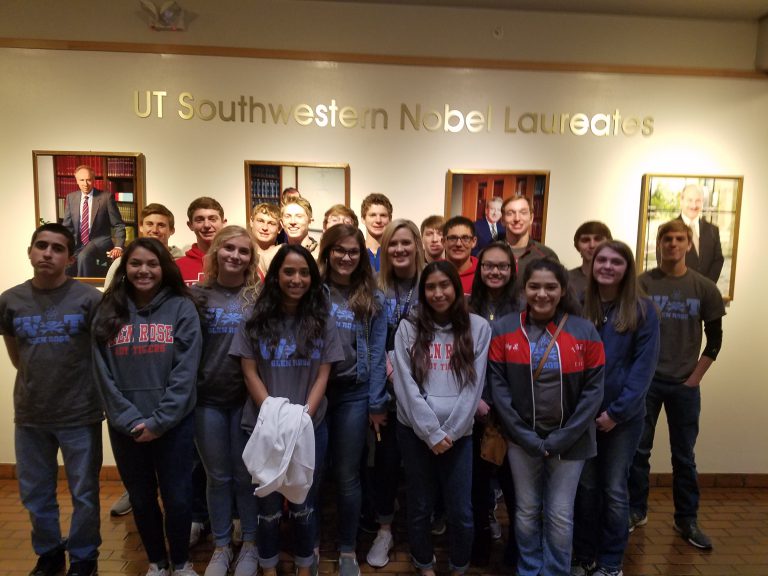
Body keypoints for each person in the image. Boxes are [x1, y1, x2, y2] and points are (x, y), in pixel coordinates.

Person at [230, 244, 344, 576]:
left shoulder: (322, 319)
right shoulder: (253, 317)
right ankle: (268, 566)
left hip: (310, 425)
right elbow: (248, 370)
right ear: (276, 275)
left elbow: (324, 372)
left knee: (303, 504)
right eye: (289, 271)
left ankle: (305, 567)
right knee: (267, 507)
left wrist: (302, 417)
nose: (296, 279)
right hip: (262, 425)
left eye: (304, 272)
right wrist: (273, 415)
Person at [92, 237, 203, 576]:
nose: (144, 270)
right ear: (124, 268)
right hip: (126, 426)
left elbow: (186, 371)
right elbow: (102, 372)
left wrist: (161, 420)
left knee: (178, 498)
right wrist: (126, 418)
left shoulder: (182, 307)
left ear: (163, 268)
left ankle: (181, 562)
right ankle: (157, 561)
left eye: (152, 264)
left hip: (175, 424)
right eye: (136, 263)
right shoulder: (107, 308)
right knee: (141, 499)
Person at [488, 258, 604, 576]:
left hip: (572, 440)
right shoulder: (504, 329)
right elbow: (498, 388)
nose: (542, 293)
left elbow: (594, 391)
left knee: (560, 513)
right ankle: (529, 569)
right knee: (525, 511)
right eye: (534, 286)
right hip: (520, 439)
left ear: (563, 289)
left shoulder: (585, 330)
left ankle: (555, 571)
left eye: (550, 286)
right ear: (524, 289)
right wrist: (523, 435)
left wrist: (563, 437)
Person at [0, 223, 103, 576]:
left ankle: (85, 556)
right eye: (41, 246)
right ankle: (48, 553)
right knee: (36, 493)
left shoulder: (91, 299)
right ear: (30, 252)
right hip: (30, 414)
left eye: (57, 248)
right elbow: (16, 355)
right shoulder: (9, 300)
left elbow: (101, 352)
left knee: (85, 493)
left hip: (80, 412)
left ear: (70, 258)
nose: (47, 253)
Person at [629, 220, 725, 550]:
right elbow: (628, 333)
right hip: (647, 384)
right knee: (638, 451)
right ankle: (635, 510)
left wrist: (694, 378)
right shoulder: (641, 283)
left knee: (684, 456)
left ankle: (686, 518)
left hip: (684, 384)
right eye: (666, 238)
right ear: (658, 244)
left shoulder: (704, 287)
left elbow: (715, 340)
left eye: (679, 239)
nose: (672, 244)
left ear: (688, 244)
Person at [393, 261, 491, 576]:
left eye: (444, 285)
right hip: (415, 433)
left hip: (458, 436)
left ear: (456, 289)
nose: (438, 293)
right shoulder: (408, 327)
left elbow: (473, 388)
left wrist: (448, 431)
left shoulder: (477, 327)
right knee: (420, 506)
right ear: (423, 292)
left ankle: (459, 566)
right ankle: (424, 564)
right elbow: (405, 385)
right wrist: (430, 432)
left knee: (461, 510)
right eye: (431, 287)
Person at [571, 240, 660, 576]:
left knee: (613, 488)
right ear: (592, 266)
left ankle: (610, 561)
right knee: (587, 489)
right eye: (601, 260)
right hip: (584, 418)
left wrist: (616, 413)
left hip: (622, 419)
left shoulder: (643, 310)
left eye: (616, 262)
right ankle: (584, 555)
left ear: (627, 268)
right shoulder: (580, 306)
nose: (607, 266)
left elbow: (643, 370)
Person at [190, 226, 262, 576]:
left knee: (246, 474)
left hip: (247, 400)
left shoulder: (259, 296)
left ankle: (249, 543)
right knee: (216, 476)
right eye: (228, 248)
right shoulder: (198, 296)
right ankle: (221, 546)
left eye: (243, 251)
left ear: (251, 258)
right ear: (216, 251)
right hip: (208, 400)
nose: (235, 255)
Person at [318, 224, 387, 576]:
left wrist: (376, 402)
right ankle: (309, 545)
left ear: (361, 256)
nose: (346, 257)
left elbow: (376, 355)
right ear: (328, 251)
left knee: (347, 475)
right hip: (315, 392)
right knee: (312, 474)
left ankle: (347, 548)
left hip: (354, 394)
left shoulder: (374, 298)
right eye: (339, 250)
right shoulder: (312, 291)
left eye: (353, 251)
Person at [366, 219, 425, 568]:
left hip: (427, 392)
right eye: (393, 244)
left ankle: (421, 529)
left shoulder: (433, 284)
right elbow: (372, 349)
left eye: (406, 243)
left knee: (422, 468)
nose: (400, 250)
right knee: (385, 465)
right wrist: (375, 399)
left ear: (417, 245)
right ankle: (384, 530)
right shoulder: (376, 289)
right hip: (387, 393)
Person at [467, 242, 519, 566]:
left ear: (512, 269)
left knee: (515, 487)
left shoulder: (525, 307)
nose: (495, 272)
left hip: (514, 411)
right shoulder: (467, 307)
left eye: (502, 266)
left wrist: (507, 405)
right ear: (480, 268)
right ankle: (481, 545)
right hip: (476, 410)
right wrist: (477, 402)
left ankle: (517, 549)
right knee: (478, 485)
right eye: (489, 266)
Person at [61, 165, 126, 277]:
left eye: (88, 180)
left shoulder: (106, 197)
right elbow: (67, 226)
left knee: (83, 257)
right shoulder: (71, 198)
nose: (85, 184)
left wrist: (118, 246)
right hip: (78, 243)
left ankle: (85, 291)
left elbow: (118, 224)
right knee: (65, 263)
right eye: (81, 180)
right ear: (76, 181)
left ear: (94, 180)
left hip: (100, 240)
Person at [104, 203, 182, 289]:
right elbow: (108, 298)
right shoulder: (121, 263)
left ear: (171, 230)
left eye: (161, 225)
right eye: (150, 224)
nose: (155, 230)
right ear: (141, 227)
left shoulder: (181, 263)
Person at [500, 195, 558, 293]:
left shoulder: (547, 255)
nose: (517, 218)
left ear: (531, 218)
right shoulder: (489, 254)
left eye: (523, 213)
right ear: (502, 220)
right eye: (510, 213)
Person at [677, 184, 724, 283]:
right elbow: (664, 262)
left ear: (702, 202)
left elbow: (718, 260)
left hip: (706, 293)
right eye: (690, 200)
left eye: (698, 201)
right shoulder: (668, 229)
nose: (694, 205)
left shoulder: (713, 230)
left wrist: (706, 287)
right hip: (678, 293)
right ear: (681, 201)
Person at [259, 198, 318, 275]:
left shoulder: (321, 255)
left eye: (299, 216)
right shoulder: (269, 257)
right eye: (287, 216)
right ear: (282, 223)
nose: (293, 222)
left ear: (310, 221)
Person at [177, 197, 227, 286]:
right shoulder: (176, 268)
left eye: (212, 219)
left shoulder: (236, 263)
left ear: (223, 223)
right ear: (190, 225)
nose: (207, 225)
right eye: (199, 220)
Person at [568, 221, 612, 300]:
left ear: (609, 243)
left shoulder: (618, 278)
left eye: (598, 239)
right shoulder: (566, 279)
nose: (592, 245)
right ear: (577, 246)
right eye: (585, 240)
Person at [442, 216, 478, 295]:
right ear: (443, 242)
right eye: (453, 238)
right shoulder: (433, 272)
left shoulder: (483, 273)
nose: (458, 244)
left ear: (474, 242)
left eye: (465, 238)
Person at [361, 193, 393, 272]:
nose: (378, 220)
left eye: (383, 215)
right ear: (363, 219)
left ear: (390, 219)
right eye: (372, 215)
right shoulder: (356, 253)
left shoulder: (395, 253)